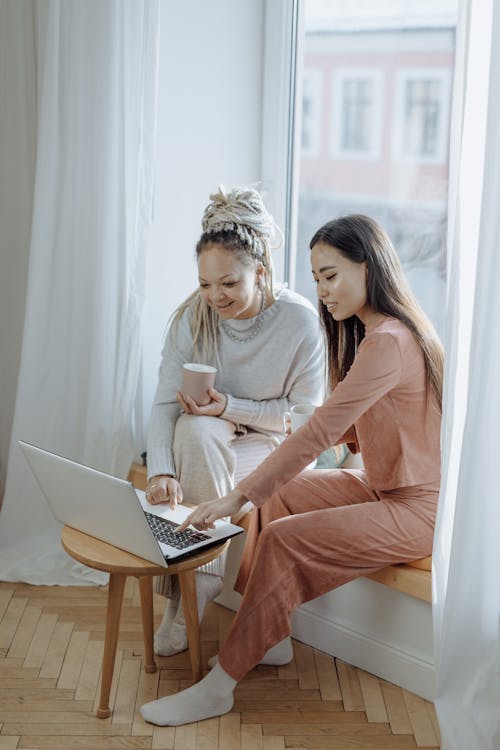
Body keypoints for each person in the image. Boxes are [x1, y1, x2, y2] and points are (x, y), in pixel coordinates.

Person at [140, 213, 444, 727]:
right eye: (316, 278)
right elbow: (358, 425)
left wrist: (236, 496)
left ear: (368, 267)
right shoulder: (376, 335)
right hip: (380, 488)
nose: (323, 290)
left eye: (332, 275)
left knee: (280, 535)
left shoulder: (389, 340)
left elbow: (319, 431)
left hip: (418, 508)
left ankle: (219, 688)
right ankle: (272, 640)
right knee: (278, 498)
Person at [145, 185, 324, 657]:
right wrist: (160, 470)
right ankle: (201, 593)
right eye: (205, 284)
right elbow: (165, 404)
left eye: (228, 283)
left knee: (203, 435)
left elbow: (304, 425)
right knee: (194, 431)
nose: (215, 296)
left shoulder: (299, 322)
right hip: (211, 444)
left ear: (260, 272)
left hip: (280, 449)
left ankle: (199, 600)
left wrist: (229, 408)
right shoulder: (192, 318)